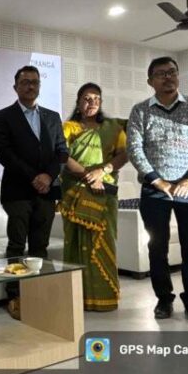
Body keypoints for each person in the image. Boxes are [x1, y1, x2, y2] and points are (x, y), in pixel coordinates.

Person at [126, 56, 188, 324]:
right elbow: (134, 149)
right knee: (157, 248)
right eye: (161, 74)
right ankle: (164, 299)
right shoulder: (140, 111)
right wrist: (157, 180)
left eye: (172, 72)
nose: (168, 77)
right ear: (150, 80)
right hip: (155, 191)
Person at [0, 65, 68, 320]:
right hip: (17, 191)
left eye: (35, 82)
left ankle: (38, 293)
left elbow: (62, 151)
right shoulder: (3, 116)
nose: (30, 86)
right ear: (15, 87)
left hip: (47, 191)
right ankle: (14, 295)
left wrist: (48, 176)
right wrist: (34, 177)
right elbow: (5, 154)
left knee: (40, 245)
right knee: (17, 244)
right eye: (25, 82)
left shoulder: (52, 116)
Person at [60, 83, 129, 312]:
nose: (92, 103)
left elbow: (124, 154)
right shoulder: (68, 127)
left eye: (96, 99)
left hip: (105, 190)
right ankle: (76, 297)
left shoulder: (113, 128)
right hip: (75, 189)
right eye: (87, 98)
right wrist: (88, 176)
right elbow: (62, 155)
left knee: (105, 240)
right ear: (78, 102)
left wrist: (103, 171)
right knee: (75, 242)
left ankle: (104, 297)